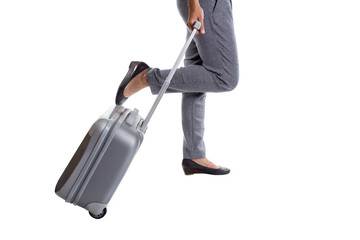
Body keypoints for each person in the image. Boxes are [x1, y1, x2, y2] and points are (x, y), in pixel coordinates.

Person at [116, 0, 238, 175]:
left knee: (197, 75)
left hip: (208, 5)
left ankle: (194, 155)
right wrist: (194, 4)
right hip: (207, 4)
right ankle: (145, 77)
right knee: (225, 77)